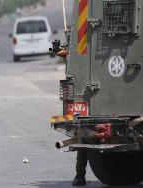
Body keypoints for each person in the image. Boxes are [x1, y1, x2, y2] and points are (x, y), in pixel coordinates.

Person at [55, 48, 87, 186]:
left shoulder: (81, 44)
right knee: (84, 135)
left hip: (87, 90)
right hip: (87, 91)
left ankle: (80, 175)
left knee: (84, 136)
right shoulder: (81, 45)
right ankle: (80, 175)